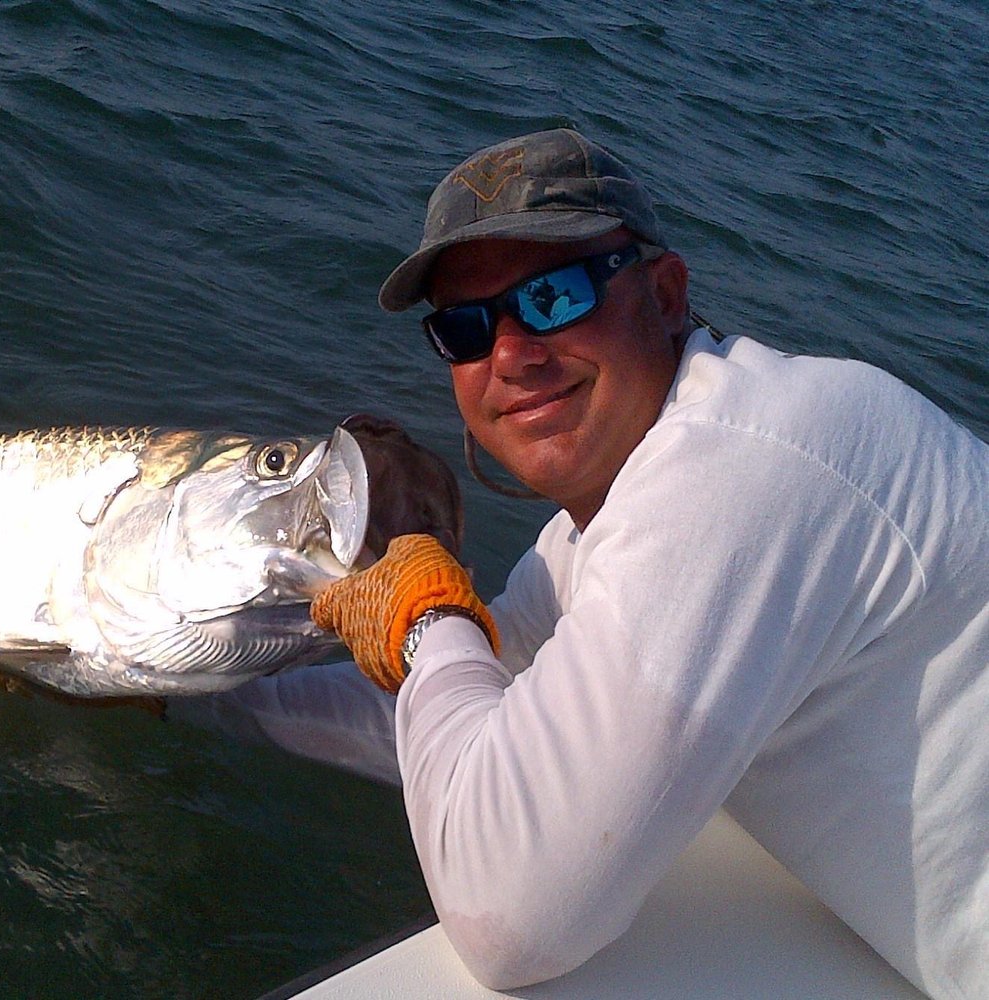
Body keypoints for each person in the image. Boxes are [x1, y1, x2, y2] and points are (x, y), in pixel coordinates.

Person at [180, 128, 989, 999]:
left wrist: (427, 618)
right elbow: (474, 702)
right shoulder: (607, 523)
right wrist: (194, 695)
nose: (511, 354)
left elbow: (511, 918)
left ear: (666, 293)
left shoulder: (740, 470)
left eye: (554, 297)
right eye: (464, 327)